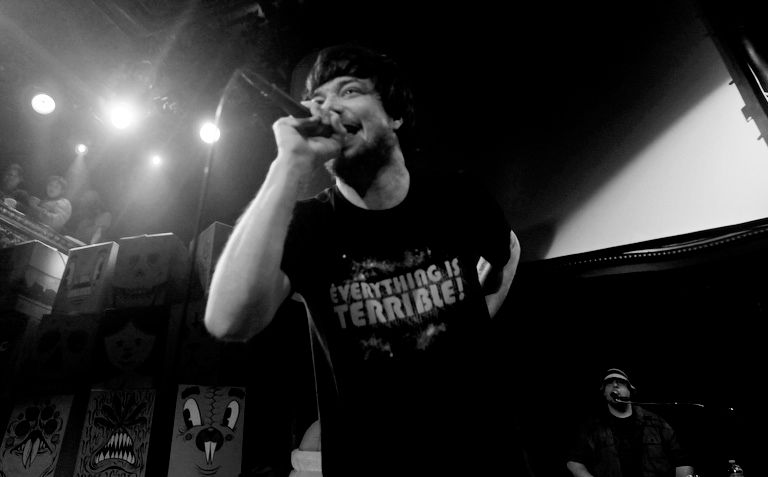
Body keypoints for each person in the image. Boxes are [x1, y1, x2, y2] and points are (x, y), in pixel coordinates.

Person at [205, 43, 521, 477]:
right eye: (317, 100)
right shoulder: (309, 226)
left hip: (485, 460)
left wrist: (479, 315)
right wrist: (288, 166)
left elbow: (507, 249)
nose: (328, 107)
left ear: (395, 115)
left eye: (349, 90)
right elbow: (227, 320)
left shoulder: (458, 198)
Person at [566, 368, 696, 477]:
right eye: (609, 383)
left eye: (621, 382)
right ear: (604, 392)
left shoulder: (657, 422)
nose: (615, 385)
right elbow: (574, 462)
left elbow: (682, 461)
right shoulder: (591, 427)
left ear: (630, 390)